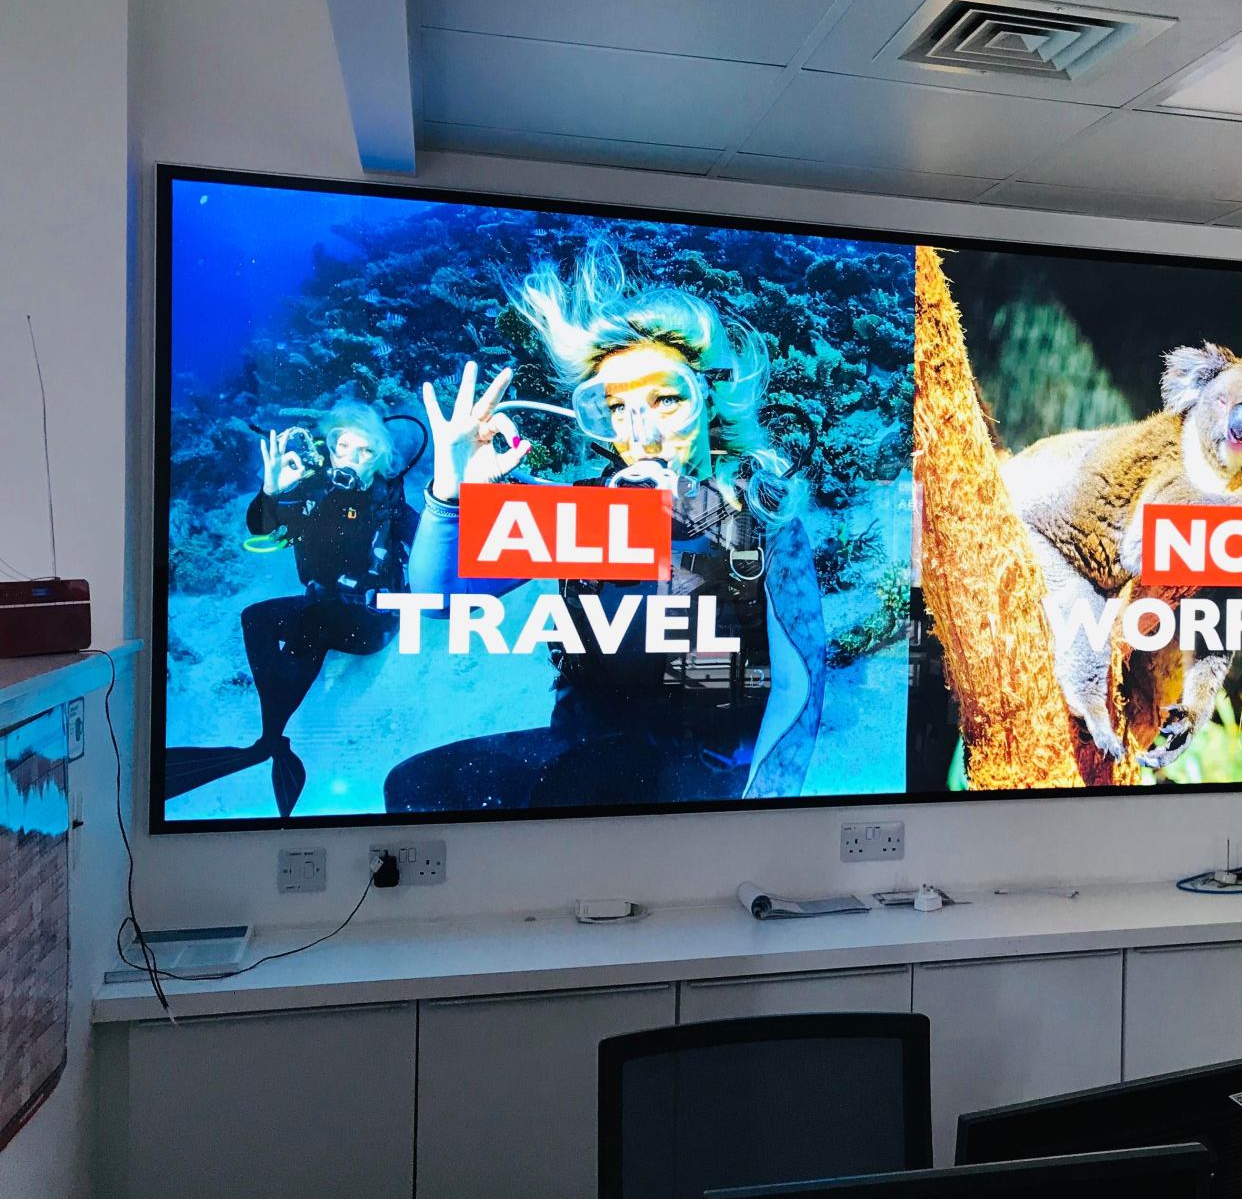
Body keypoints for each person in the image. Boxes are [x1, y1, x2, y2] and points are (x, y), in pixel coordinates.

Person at [382, 255, 825, 813]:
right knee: (414, 786)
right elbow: (438, 600)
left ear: (709, 398)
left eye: (667, 399)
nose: (641, 434)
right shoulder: (592, 517)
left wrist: (755, 817)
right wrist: (448, 495)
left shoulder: (757, 519)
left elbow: (799, 688)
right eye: (615, 408)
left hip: (705, 772)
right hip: (584, 752)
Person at [164, 401, 417, 815]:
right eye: (342, 445)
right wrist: (271, 490)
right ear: (328, 446)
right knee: (256, 617)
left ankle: (269, 741)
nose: (351, 458)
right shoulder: (313, 489)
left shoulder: (387, 503)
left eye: (366, 450)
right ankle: (271, 737)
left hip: (376, 620)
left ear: (381, 457)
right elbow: (260, 527)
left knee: (314, 620)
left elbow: (434, 543)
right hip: (323, 607)